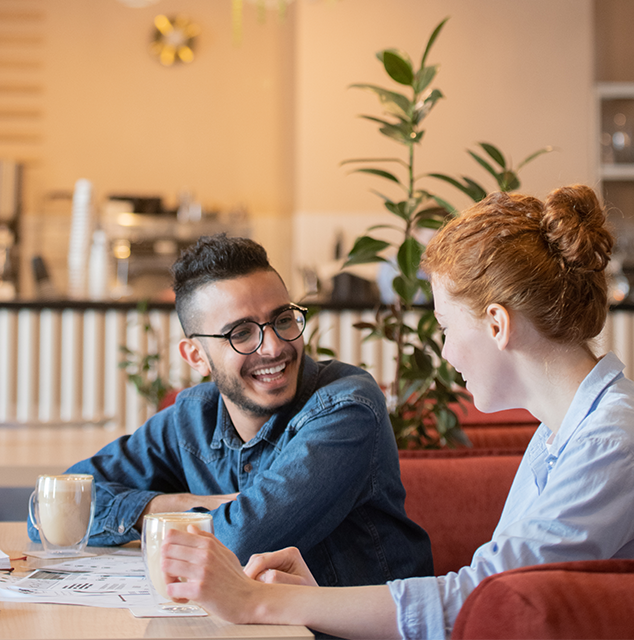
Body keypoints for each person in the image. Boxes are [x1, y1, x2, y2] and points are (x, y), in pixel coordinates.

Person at [159, 185, 634, 639]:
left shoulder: (611, 441)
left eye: (446, 328)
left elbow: (484, 598)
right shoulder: (562, 431)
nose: (446, 354)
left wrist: (258, 602)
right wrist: (317, 599)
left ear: (496, 324)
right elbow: (489, 597)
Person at [28, 234, 433, 587]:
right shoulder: (191, 419)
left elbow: (240, 541)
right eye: (241, 333)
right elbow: (55, 511)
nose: (273, 347)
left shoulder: (347, 407)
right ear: (196, 356)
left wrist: (161, 517)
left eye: (283, 320)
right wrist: (164, 505)